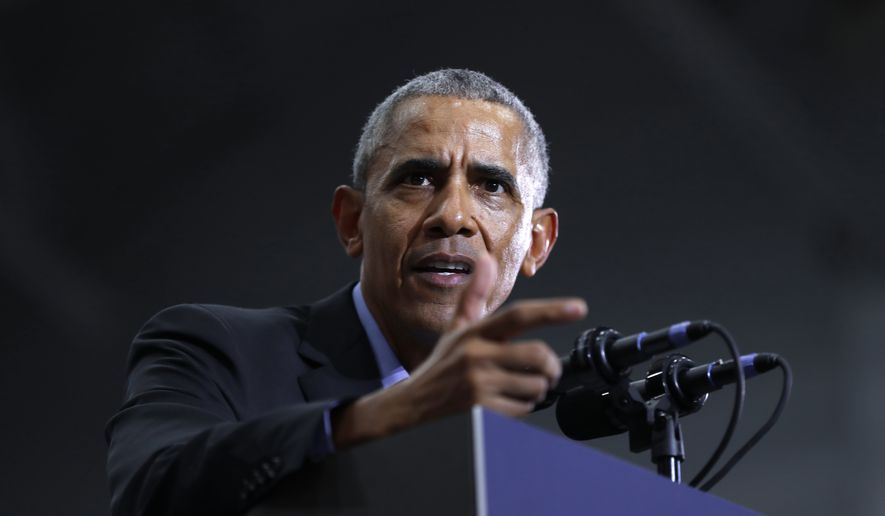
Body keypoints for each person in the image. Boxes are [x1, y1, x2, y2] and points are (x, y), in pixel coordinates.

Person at [105, 68, 588, 516]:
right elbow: (150, 489)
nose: (453, 216)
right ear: (352, 221)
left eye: (492, 186)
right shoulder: (217, 347)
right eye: (418, 179)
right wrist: (380, 415)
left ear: (537, 243)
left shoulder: (544, 476)